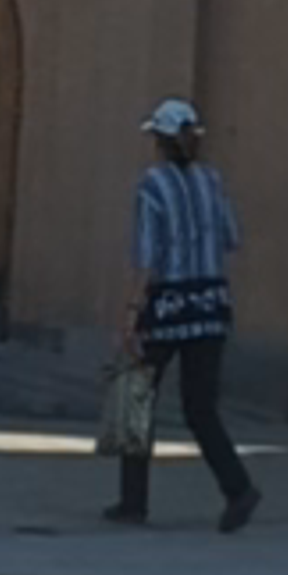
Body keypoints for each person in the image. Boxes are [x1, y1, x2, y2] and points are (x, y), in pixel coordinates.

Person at [106, 95, 259, 535]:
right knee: (201, 408)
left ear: (159, 140)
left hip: (168, 306)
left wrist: (132, 314)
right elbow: (232, 238)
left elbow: (145, 255)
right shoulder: (213, 182)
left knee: (138, 400)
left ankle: (133, 501)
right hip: (210, 307)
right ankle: (238, 488)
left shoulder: (151, 186)